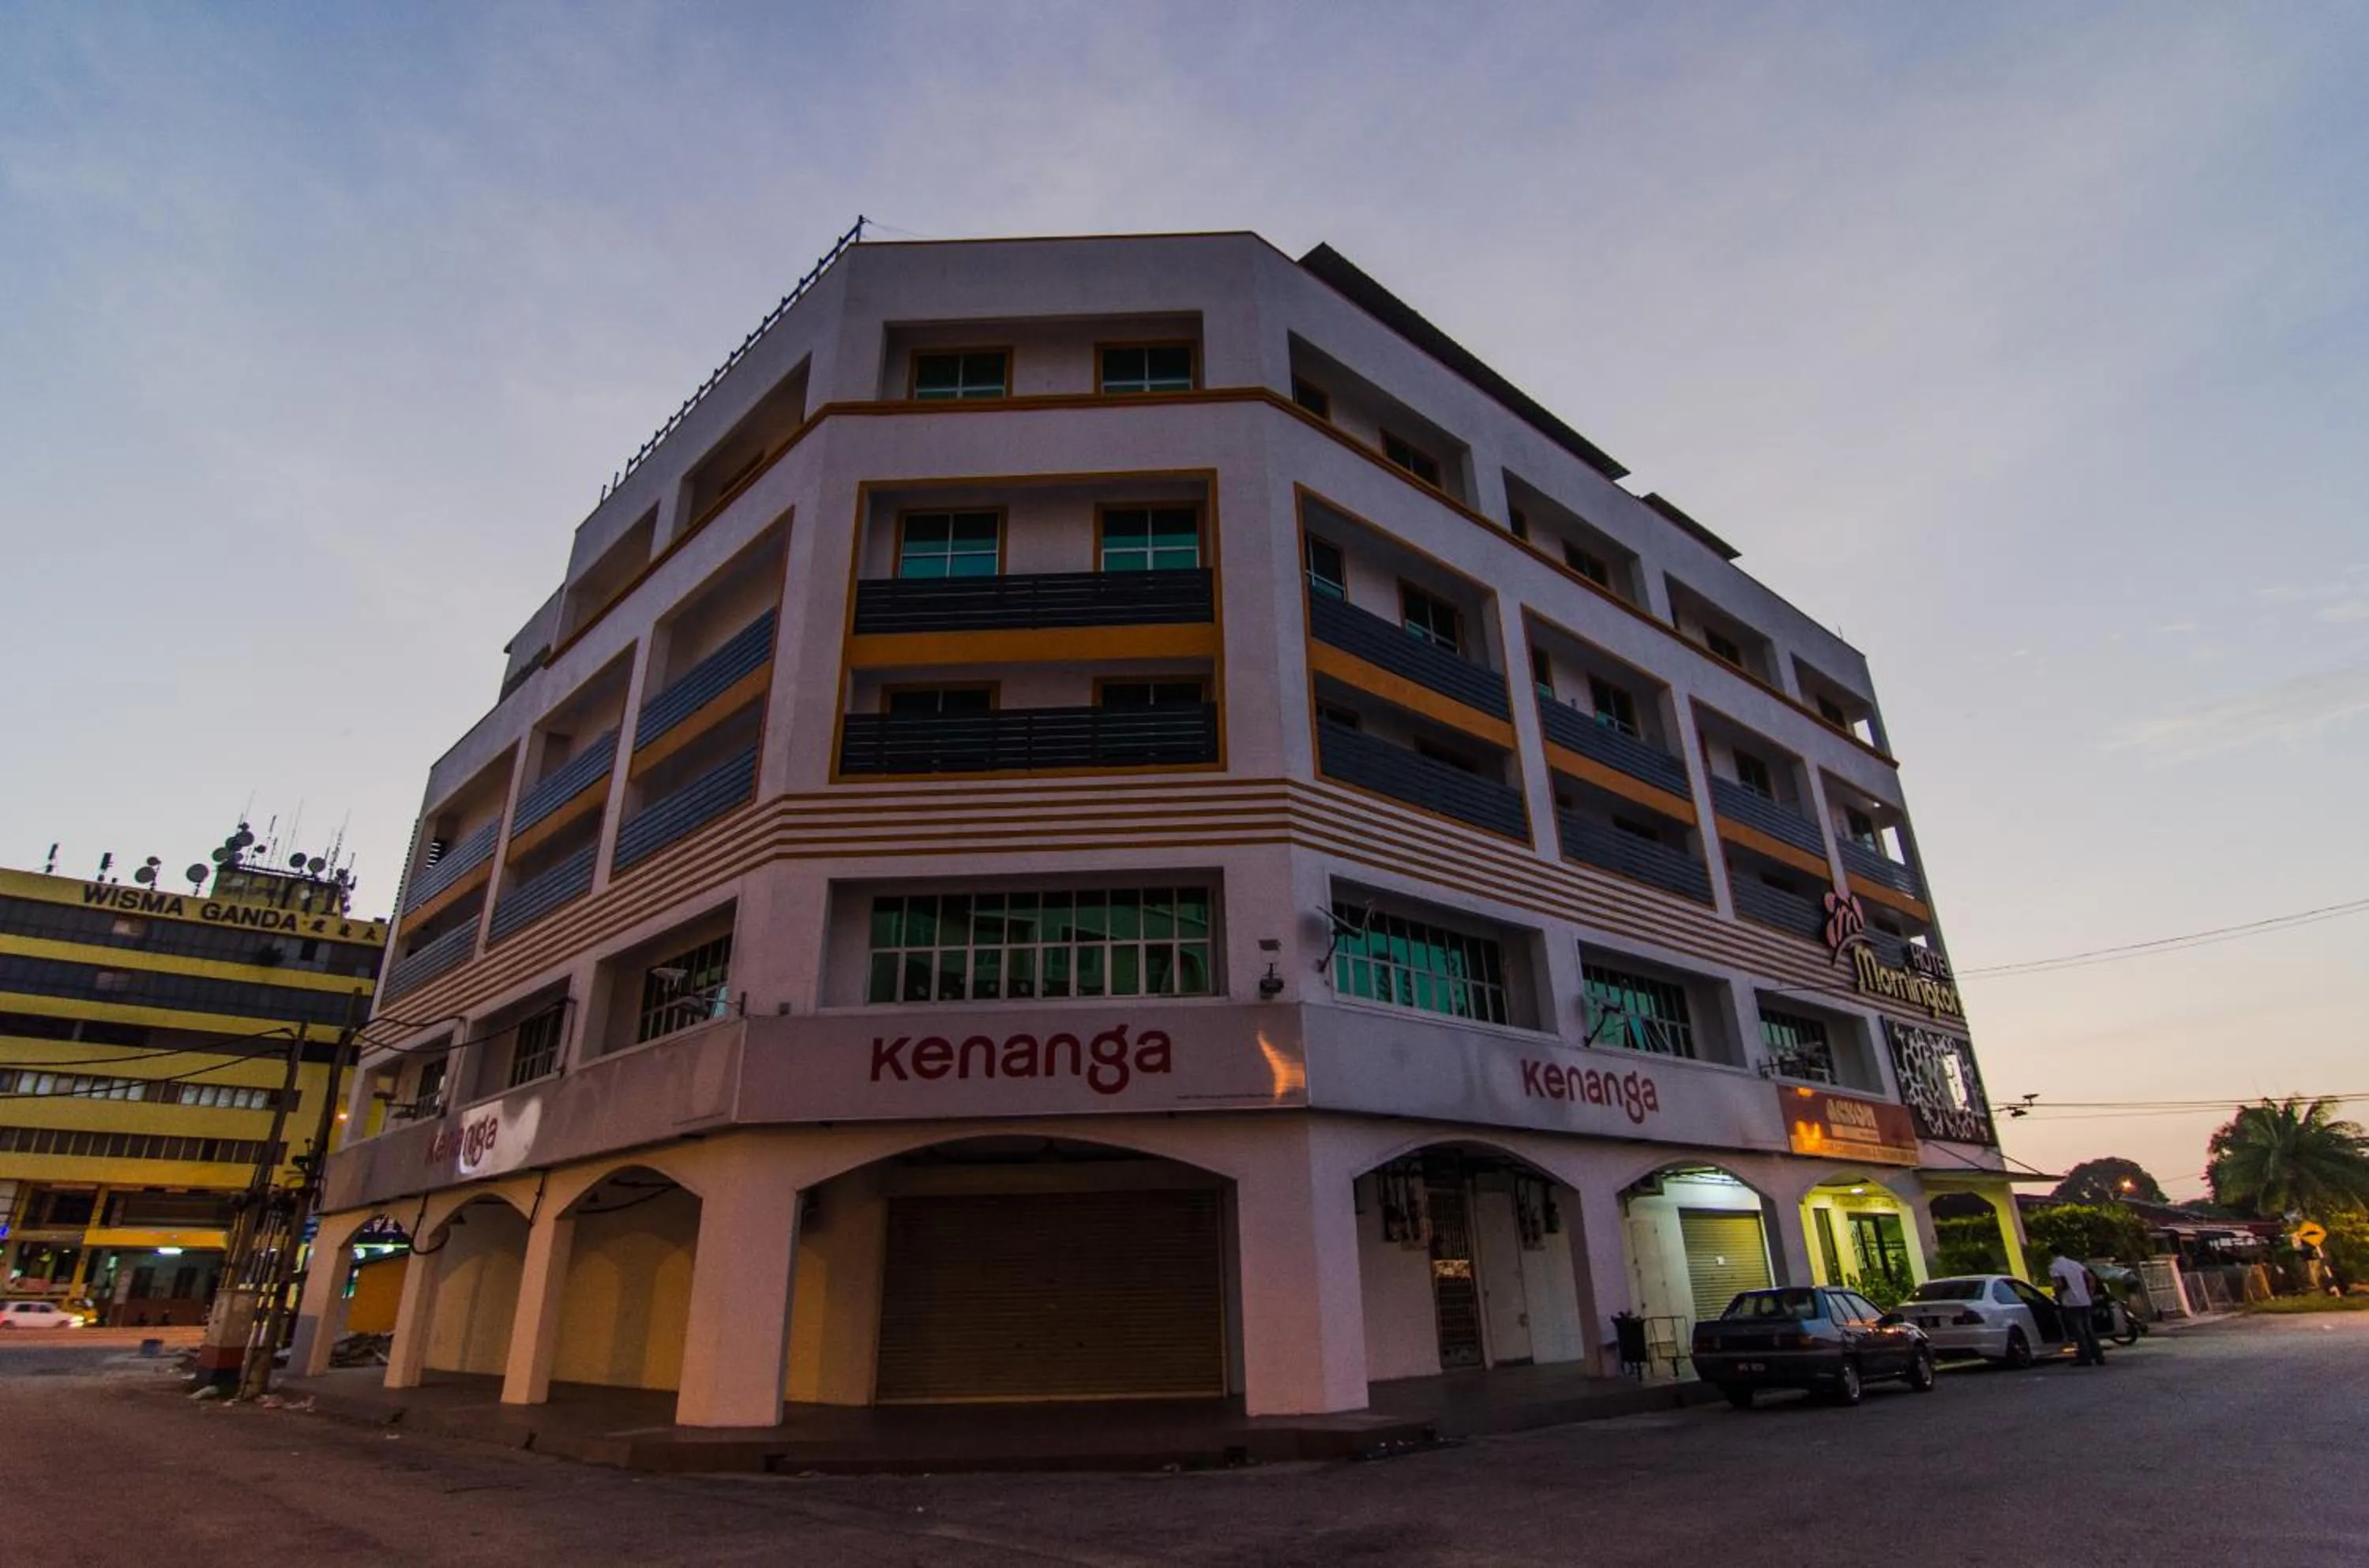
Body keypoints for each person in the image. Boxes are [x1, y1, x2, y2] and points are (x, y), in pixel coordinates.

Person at [2049, 1250, 2104, 1366]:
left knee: (2079, 1332)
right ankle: (2099, 1356)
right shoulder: (2075, 1264)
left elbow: (2059, 1284)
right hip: (2085, 1301)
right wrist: (2090, 1293)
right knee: (2089, 1330)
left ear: (2052, 1255)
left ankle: (2085, 1357)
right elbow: (2090, 1278)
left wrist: (2058, 1296)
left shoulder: (2055, 1267)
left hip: (2070, 1302)